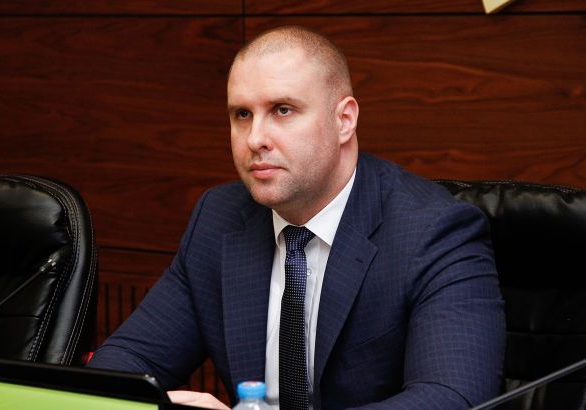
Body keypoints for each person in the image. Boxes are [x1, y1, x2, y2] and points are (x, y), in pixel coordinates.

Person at [88, 26, 506, 409]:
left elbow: (452, 398)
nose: (255, 139)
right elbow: (126, 361)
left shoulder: (433, 232)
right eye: (242, 115)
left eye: (283, 110)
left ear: (344, 120)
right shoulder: (220, 218)